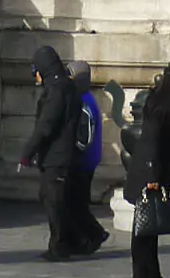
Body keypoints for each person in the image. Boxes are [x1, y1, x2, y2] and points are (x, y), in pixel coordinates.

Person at [122, 57, 170, 278]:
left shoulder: (161, 99)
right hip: (149, 171)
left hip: (153, 169)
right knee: (143, 228)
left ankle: (153, 277)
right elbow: (153, 142)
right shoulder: (162, 104)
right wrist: (153, 175)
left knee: (151, 227)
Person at [18, 46, 82, 260]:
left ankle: (61, 245)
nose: (34, 76)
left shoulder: (56, 91)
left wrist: (27, 152)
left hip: (57, 155)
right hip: (62, 153)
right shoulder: (68, 87)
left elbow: (46, 125)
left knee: (53, 200)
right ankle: (74, 240)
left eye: (35, 70)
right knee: (55, 198)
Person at [65, 61, 108, 255]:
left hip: (83, 160)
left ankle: (96, 233)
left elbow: (84, 135)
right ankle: (80, 238)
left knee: (76, 203)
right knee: (77, 202)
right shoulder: (86, 98)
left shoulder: (83, 102)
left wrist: (75, 151)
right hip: (88, 159)